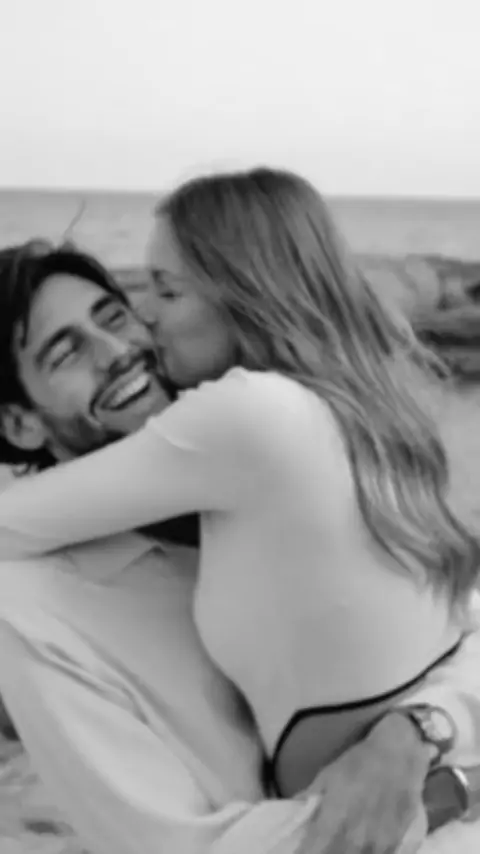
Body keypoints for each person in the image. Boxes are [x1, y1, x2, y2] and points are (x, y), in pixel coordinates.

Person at [0, 236, 477, 854]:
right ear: (19, 423)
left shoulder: (266, 461)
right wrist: (445, 796)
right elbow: (177, 848)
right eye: (66, 353)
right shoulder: (31, 608)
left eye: (114, 317)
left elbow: (461, 620)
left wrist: (417, 732)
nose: (116, 354)